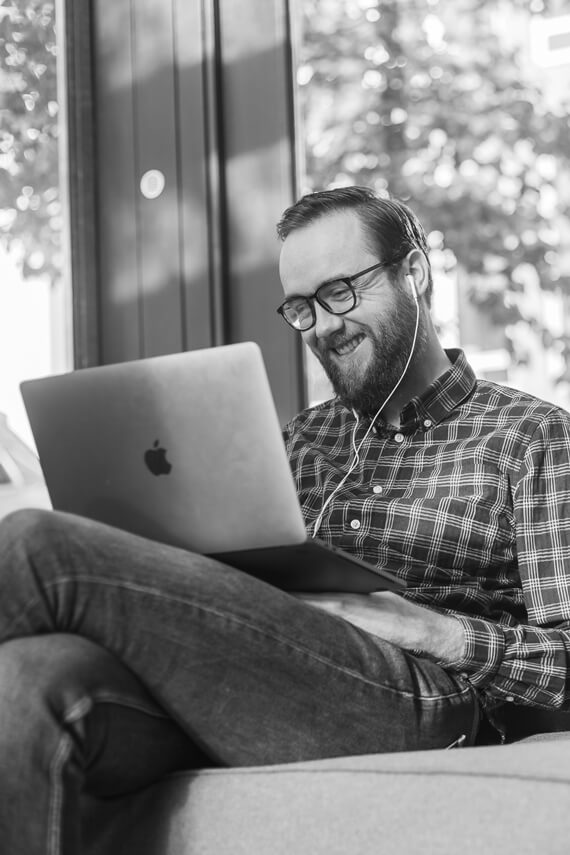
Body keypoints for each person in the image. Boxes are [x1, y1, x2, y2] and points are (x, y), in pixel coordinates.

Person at [1, 186, 570, 852]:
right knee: (32, 678)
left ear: (414, 273)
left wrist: (432, 630)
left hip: (423, 700)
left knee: (35, 543)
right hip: (267, 682)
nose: (324, 326)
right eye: (301, 308)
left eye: (340, 293)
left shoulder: (531, 436)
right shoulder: (300, 440)